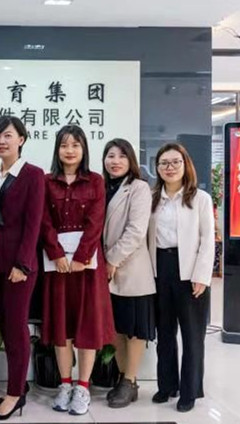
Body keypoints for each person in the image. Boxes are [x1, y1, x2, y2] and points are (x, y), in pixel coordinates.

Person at [41, 125, 115, 416]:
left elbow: (96, 222)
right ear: (57, 150)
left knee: (87, 325)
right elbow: (44, 221)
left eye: (75, 145)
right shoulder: (46, 182)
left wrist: (82, 256)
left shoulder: (95, 181)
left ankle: (83, 387)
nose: (69, 150)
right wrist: (56, 253)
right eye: (64, 145)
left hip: (87, 267)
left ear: (84, 149)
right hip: (57, 266)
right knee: (62, 327)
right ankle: (65, 384)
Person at [0, 116, 44, 420]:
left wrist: (23, 264)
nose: (1, 141)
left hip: (19, 266)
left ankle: (15, 394)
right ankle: (18, 386)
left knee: (17, 330)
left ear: (21, 139)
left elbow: (34, 224)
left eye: (7, 135)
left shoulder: (33, 174)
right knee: (5, 327)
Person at [148, 143, 214, 413]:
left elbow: (208, 240)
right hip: (160, 268)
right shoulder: (153, 197)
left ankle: (190, 390)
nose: (170, 167)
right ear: (157, 168)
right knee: (164, 333)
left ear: (186, 165)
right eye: (164, 163)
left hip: (190, 271)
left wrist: (202, 276)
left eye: (176, 162)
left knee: (192, 335)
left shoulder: (200, 198)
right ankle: (167, 386)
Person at [101, 138, 156, 408]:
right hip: (105, 272)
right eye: (110, 156)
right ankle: (125, 379)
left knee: (134, 330)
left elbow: (136, 231)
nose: (115, 161)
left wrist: (112, 260)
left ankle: (130, 379)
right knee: (115, 330)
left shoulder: (139, 187)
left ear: (131, 160)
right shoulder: (100, 186)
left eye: (122, 156)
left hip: (131, 269)